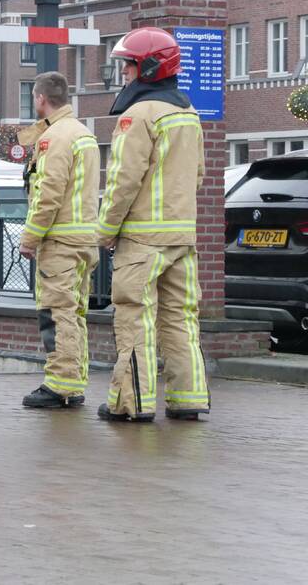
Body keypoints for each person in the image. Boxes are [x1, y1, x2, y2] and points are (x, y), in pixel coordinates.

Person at [96, 26, 209, 423]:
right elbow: (198, 175)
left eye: (127, 65)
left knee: (134, 320)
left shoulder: (138, 115)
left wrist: (106, 230)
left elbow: (122, 181)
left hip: (142, 241)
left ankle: (131, 403)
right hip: (182, 237)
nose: (123, 73)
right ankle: (188, 399)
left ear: (147, 68)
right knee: (181, 320)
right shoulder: (188, 114)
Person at [17, 72, 100, 409]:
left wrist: (30, 238)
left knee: (56, 312)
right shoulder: (84, 134)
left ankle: (60, 384)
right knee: (76, 313)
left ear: (41, 98)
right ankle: (74, 381)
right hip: (84, 239)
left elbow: (47, 195)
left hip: (60, 242)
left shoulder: (54, 138)